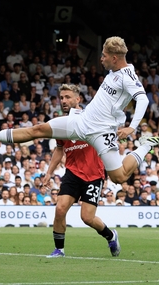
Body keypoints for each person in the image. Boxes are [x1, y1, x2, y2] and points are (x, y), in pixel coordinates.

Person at [0, 37, 159, 184]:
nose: (101, 58)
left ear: (114, 58)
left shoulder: (128, 77)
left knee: (118, 177)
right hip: (81, 122)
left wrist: (132, 128)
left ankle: (146, 145)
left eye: (104, 55)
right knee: (37, 130)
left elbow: (143, 99)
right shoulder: (114, 71)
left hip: (102, 132)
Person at [45, 84, 120, 258]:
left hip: (94, 175)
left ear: (78, 99)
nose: (63, 101)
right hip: (72, 173)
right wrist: (49, 173)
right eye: (61, 98)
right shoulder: (61, 124)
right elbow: (59, 149)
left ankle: (110, 236)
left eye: (67, 97)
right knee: (60, 209)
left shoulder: (92, 117)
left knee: (87, 218)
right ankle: (59, 250)